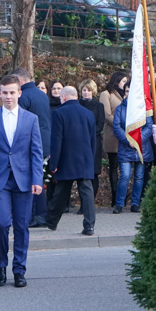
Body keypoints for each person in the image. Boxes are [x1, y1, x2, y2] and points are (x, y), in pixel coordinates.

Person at [0, 75, 43, 287]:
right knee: (1, 223)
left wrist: (37, 179)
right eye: (4, 92)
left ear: (19, 93)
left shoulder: (31, 119)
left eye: (12, 92)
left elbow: (36, 152)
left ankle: (19, 269)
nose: (8, 96)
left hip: (24, 179)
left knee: (22, 226)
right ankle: (1, 264)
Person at [45, 87, 97, 235]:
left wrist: (54, 163)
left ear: (64, 97)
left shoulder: (58, 113)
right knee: (87, 193)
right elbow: (93, 140)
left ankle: (51, 221)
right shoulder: (89, 114)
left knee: (61, 192)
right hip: (85, 158)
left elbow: (56, 140)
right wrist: (91, 158)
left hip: (66, 159)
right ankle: (89, 226)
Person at [14, 68, 51, 228]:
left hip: (29, 144)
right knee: (38, 179)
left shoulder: (24, 97)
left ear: (20, 81)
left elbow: (20, 124)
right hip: (44, 142)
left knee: (30, 180)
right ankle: (40, 214)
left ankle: (35, 215)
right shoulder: (42, 95)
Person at [112, 82, 153, 213]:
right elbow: (116, 127)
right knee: (124, 175)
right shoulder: (120, 108)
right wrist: (127, 140)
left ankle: (135, 203)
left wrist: (138, 140)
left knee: (139, 176)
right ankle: (119, 203)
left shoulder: (144, 108)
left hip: (142, 148)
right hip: (125, 148)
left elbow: (149, 126)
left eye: (131, 91)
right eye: (127, 91)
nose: (129, 94)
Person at [100, 71, 127, 206]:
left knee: (125, 168)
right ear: (116, 81)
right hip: (113, 135)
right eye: (123, 81)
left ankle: (123, 196)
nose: (124, 84)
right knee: (113, 166)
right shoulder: (106, 94)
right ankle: (114, 196)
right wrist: (120, 125)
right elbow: (106, 114)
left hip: (126, 136)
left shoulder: (127, 95)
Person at [78, 79, 105, 209]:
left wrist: (89, 136)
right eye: (84, 90)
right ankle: (82, 204)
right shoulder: (77, 105)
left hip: (94, 143)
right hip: (79, 143)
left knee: (93, 173)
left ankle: (90, 204)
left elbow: (100, 124)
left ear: (93, 91)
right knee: (80, 174)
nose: (86, 93)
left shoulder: (99, 106)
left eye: (89, 90)